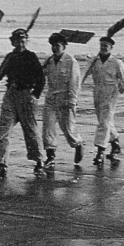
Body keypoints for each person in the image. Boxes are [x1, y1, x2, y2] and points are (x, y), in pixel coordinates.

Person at [0, 28, 45, 177]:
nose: (20, 43)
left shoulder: (31, 56)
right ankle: (0, 163)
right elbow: (0, 72)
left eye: (23, 40)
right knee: (3, 129)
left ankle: (40, 162)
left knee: (31, 131)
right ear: (13, 42)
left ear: (26, 41)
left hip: (26, 95)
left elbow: (41, 78)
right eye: (17, 40)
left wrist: (34, 95)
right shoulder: (10, 57)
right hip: (11, 94)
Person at [84, 36, 124, 165]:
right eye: (102, 45)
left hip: (111, 94)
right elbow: (84, 74)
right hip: (98, 93)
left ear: (111, 48)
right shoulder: (94, 61)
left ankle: (100, 151)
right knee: (104, 120)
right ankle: (115, 141)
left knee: (104, 122)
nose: (103, 48)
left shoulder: (117, 63)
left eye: (106, 46)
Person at [41, 33, 84, 168]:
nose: (55, 48)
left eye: (58, 45)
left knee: (68, 129)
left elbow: (74, 82)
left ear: (64, 46)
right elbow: (41, 75)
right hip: (51, 99)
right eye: (53, 45)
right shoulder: (49, 61)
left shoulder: (71, 61)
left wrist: (72, 100)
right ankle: (50, 156)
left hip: (65, 100)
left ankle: (78, 144)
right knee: (48, 128)